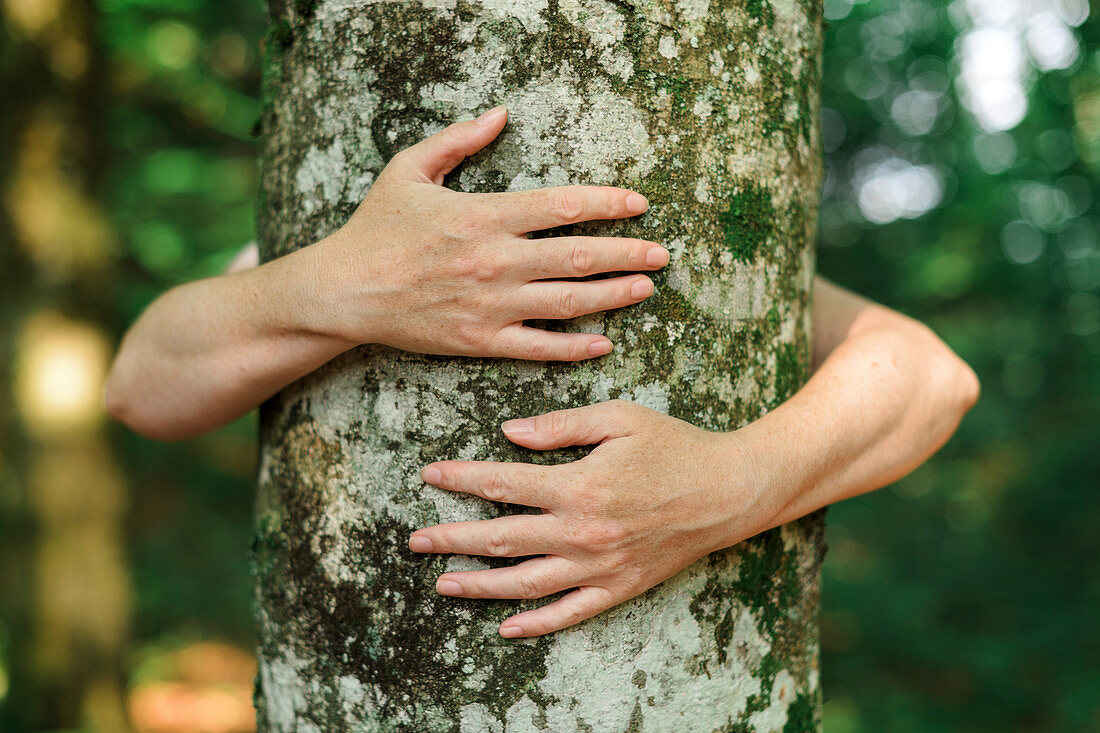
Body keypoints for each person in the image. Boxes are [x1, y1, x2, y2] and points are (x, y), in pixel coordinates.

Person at [106, 107, 980, 639]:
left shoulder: (690, 251)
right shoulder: (305, 242)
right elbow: (141, 381)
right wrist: (352, 283)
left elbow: (930, 377)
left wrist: (729, 482)